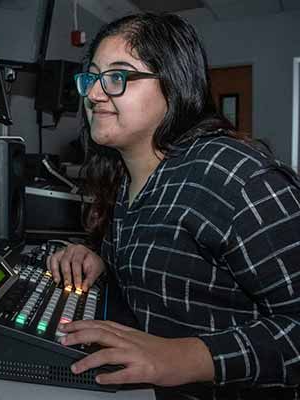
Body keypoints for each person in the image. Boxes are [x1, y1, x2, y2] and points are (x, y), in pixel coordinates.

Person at [47, 13, 300, 399]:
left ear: (174, 86)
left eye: (118, 77)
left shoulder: (233, 176)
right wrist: (102, 263)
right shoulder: (126, 180)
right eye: (93, 77)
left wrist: (187, 357)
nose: (95, 94)